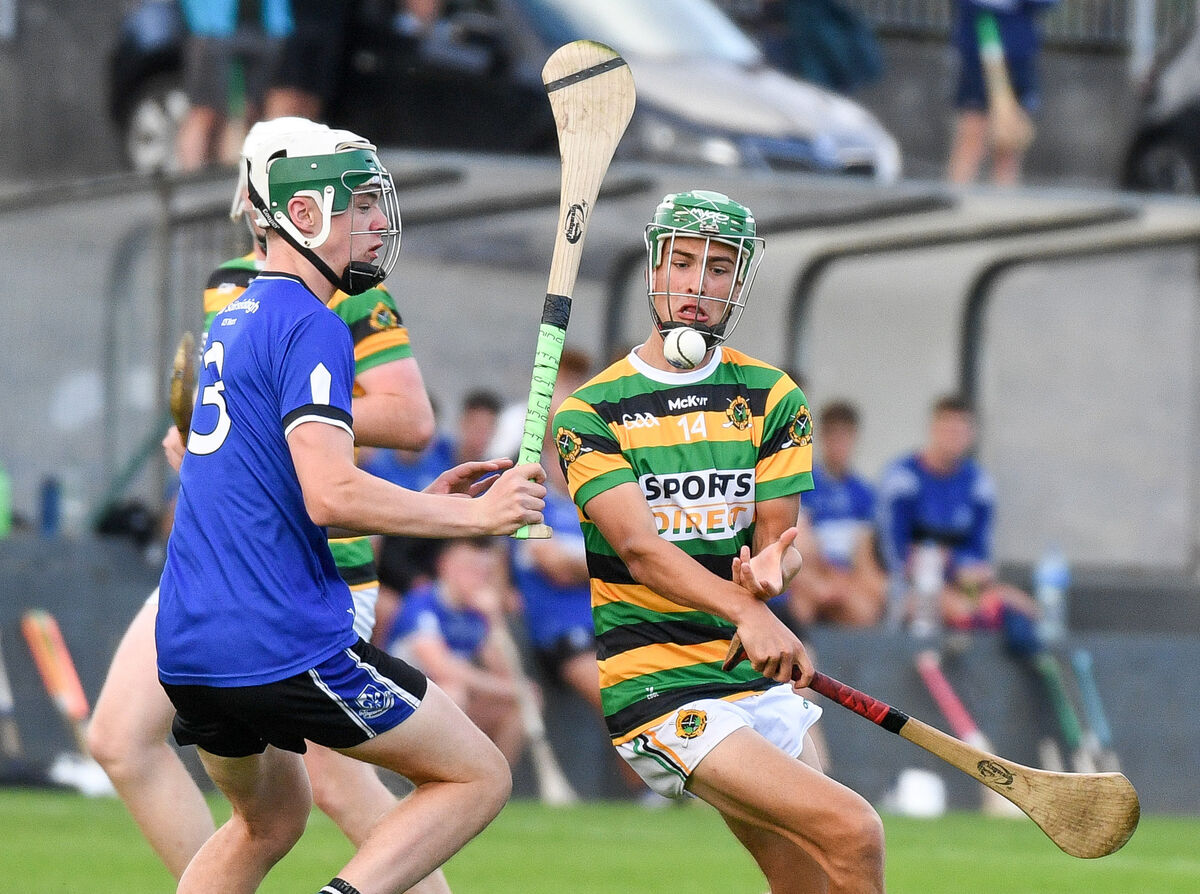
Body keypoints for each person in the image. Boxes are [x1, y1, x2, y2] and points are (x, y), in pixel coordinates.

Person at [155, 121, 545, 894]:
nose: (375, 223)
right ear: (303, 217)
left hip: (191, 649)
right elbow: (330, 493)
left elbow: (283, 501)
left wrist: (418, 504)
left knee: (268, 823)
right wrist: (474, 519)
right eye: (359, 204)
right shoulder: (313, 325)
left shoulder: (233, 319)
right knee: (478, 776)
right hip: (278, 644)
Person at [88, 116, 454, 892]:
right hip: (230, 551)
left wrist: (292, 420)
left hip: (313, 556)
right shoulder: (234, 284)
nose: (370, 217)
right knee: (126, 742)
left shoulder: (350, 286)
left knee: (340, 790)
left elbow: (411, 419)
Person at [551, 189, 884, 892]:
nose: (700, 286)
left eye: (720, 268)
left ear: (741, 280)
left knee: (809, 879)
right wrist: (746, 610)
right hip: (658, 684)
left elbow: (780, 540)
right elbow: (639, 551)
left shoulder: (773, 396)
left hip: (749, 675)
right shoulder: (590, 413)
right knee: (854, 829)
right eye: (684, 262)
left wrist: (774, 570)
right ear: (656, 265)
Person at [876, 393, 1039, 648]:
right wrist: (942, 567)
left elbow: (980, 553)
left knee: (1023, 608)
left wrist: (962, 571)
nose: (955, 438)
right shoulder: (903, 478)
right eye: (949, 429)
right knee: (959, 611)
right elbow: (894, 554)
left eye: (962, 431)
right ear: (933, 429)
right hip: (908, 586)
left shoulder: (978, 483)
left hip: (964, 585)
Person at [368, 389, 503, 641]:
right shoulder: (377, 466)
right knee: (389, 608)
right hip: (390, 570)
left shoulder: (441, 467)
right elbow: (378, 537)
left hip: (428, 570)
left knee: (484, 605)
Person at [384, 537, 526, 766]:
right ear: (445, 565)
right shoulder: (422, 603)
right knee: (453, 694)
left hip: (451, 707)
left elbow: (505, 673)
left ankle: (496, 781)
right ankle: (440, 780)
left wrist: (494, 619)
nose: (478, 578)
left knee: (520, 703)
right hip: (401, 706)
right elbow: (441, 667)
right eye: (471, 569)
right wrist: (509, 689)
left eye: (485, 572)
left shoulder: (478, 613)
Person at [786, 399, 887, 628]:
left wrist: (847, 581)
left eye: (845, 438)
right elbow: (799, 543)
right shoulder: (804, 482)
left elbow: (865, 552)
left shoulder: (864, 493)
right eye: (834, 437)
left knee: (867, 607)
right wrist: (826, 576)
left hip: (847, 578)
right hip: (810, 573)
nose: (840, 445)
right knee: (803, 598)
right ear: (823, 439)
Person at [947, 0, 1058, 186]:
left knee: (1008, 140)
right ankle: (956, 197)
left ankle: (1004, 201)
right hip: (977, 48)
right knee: (972, 131)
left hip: (1018, 53)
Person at [175, 0, 292, 170]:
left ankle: (234, 182)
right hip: (212, 26)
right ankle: (188, 186)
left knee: (248, 113)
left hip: (267, 27)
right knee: (205, 112)